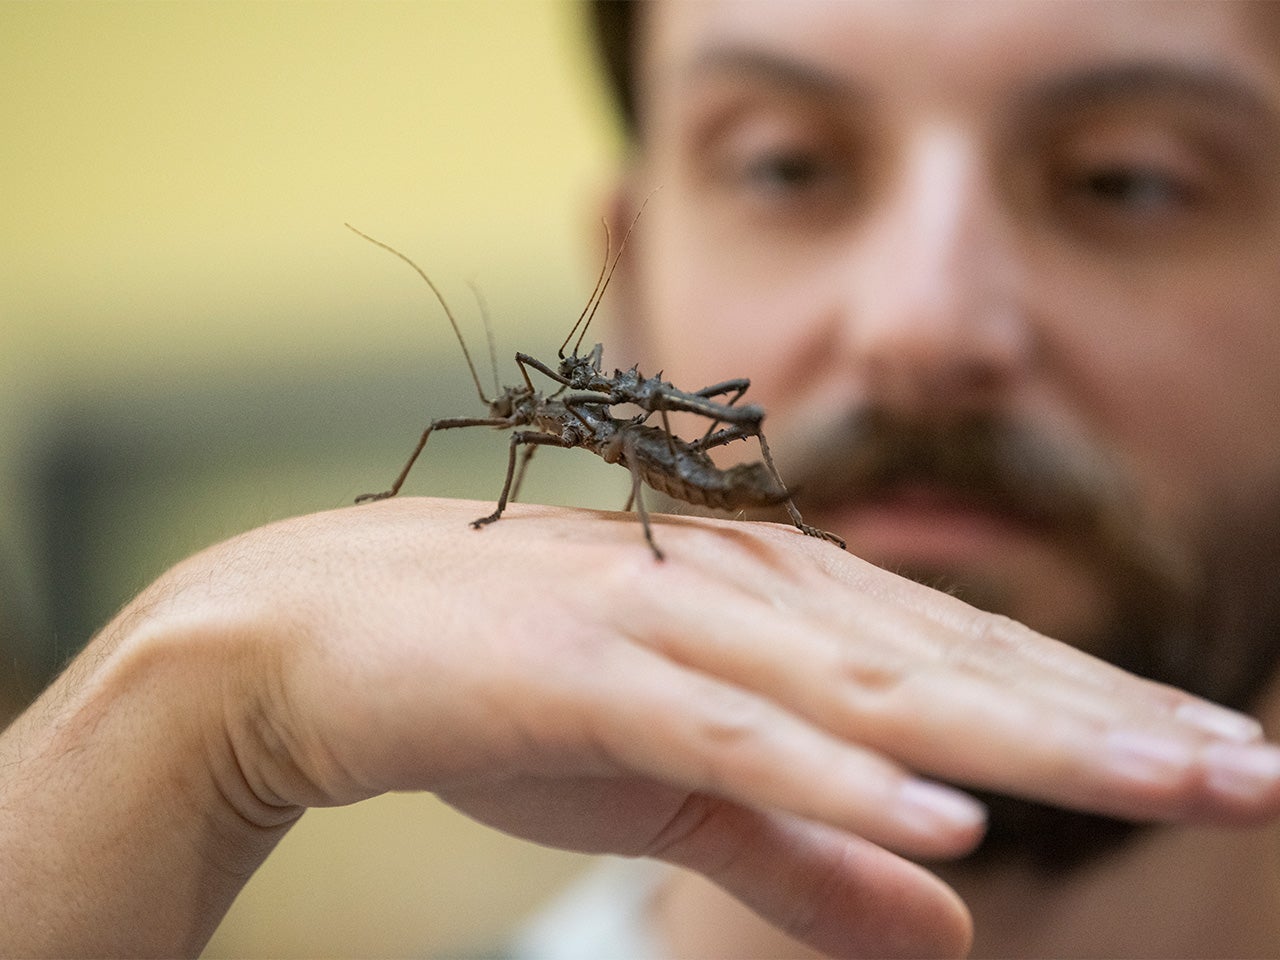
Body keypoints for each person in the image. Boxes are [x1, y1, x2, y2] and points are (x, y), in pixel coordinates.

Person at [3, 1, 1280, 956]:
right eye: (784, 163)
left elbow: (673, 433)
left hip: (671, 447)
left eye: (1129, 178)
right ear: (628, 267)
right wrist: (178, 727)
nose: (920, 328)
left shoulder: (658, 414)